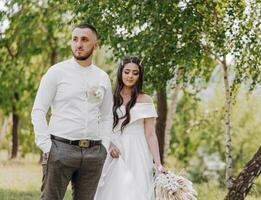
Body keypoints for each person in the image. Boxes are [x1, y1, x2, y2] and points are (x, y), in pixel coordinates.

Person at [31, 23, 112, 200]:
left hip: (93, 153)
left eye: (84, 39)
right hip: (60, 149)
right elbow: (38, 110)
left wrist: (104, 146)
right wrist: (47, 146)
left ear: (96, 45)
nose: (79, 44)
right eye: (75, 39)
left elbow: (107, 116)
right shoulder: (56, 72)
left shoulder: (102, 77)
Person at [94, 57, 166, 200]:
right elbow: (98, 125)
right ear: (121, 72)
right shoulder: (109, 97)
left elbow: (151, 134)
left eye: (135, 73)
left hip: (137, 151)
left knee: (136, 192)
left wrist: (158, 165)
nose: (130, 76)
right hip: (113, 150)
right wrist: (109, 144)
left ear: (140, 76)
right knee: (111, 191)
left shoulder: (146, 100)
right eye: (127, 72)